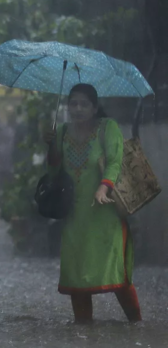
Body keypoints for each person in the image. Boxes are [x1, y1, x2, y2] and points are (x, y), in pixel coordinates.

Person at [43, 83, 140, 324]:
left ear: (95, 107)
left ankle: (137, 326)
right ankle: (83, 335)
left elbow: (115, 162)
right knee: (76, 278)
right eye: (73, 103)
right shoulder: (62, 131)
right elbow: (54, 173)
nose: (77, 108)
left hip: (105, 212)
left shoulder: (108, 128)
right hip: (75, 215)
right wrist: (51, 147)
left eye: (83, 104)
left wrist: (103, 186)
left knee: (117, 272)